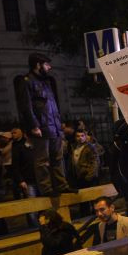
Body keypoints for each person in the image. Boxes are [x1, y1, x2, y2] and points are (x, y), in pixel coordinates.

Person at [15, 54, 75, 196]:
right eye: (47, 64)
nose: (49, 67)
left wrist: (59, 124)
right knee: (42, 160)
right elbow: (25, 106)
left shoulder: (45, 82)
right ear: (38, 65)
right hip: (41, 128)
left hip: (53, 127)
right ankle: (46, 189)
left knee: (57, 159)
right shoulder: (27, 81)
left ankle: (62, 186)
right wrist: (34, 126)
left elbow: (52, 106)